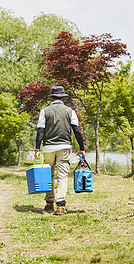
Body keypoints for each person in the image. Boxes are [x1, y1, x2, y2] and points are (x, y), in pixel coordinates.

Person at [35, 86, 85, 215]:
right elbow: (76, 130)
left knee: (49, 174)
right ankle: (61, 205)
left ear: (51, 98)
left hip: (48, 148)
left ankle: (49, 202)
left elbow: (40, 130)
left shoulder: (44, 111)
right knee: (62, 175)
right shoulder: (70, 111)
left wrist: (37, 148)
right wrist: (81, 148)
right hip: (64, 147)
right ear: (63, 98)